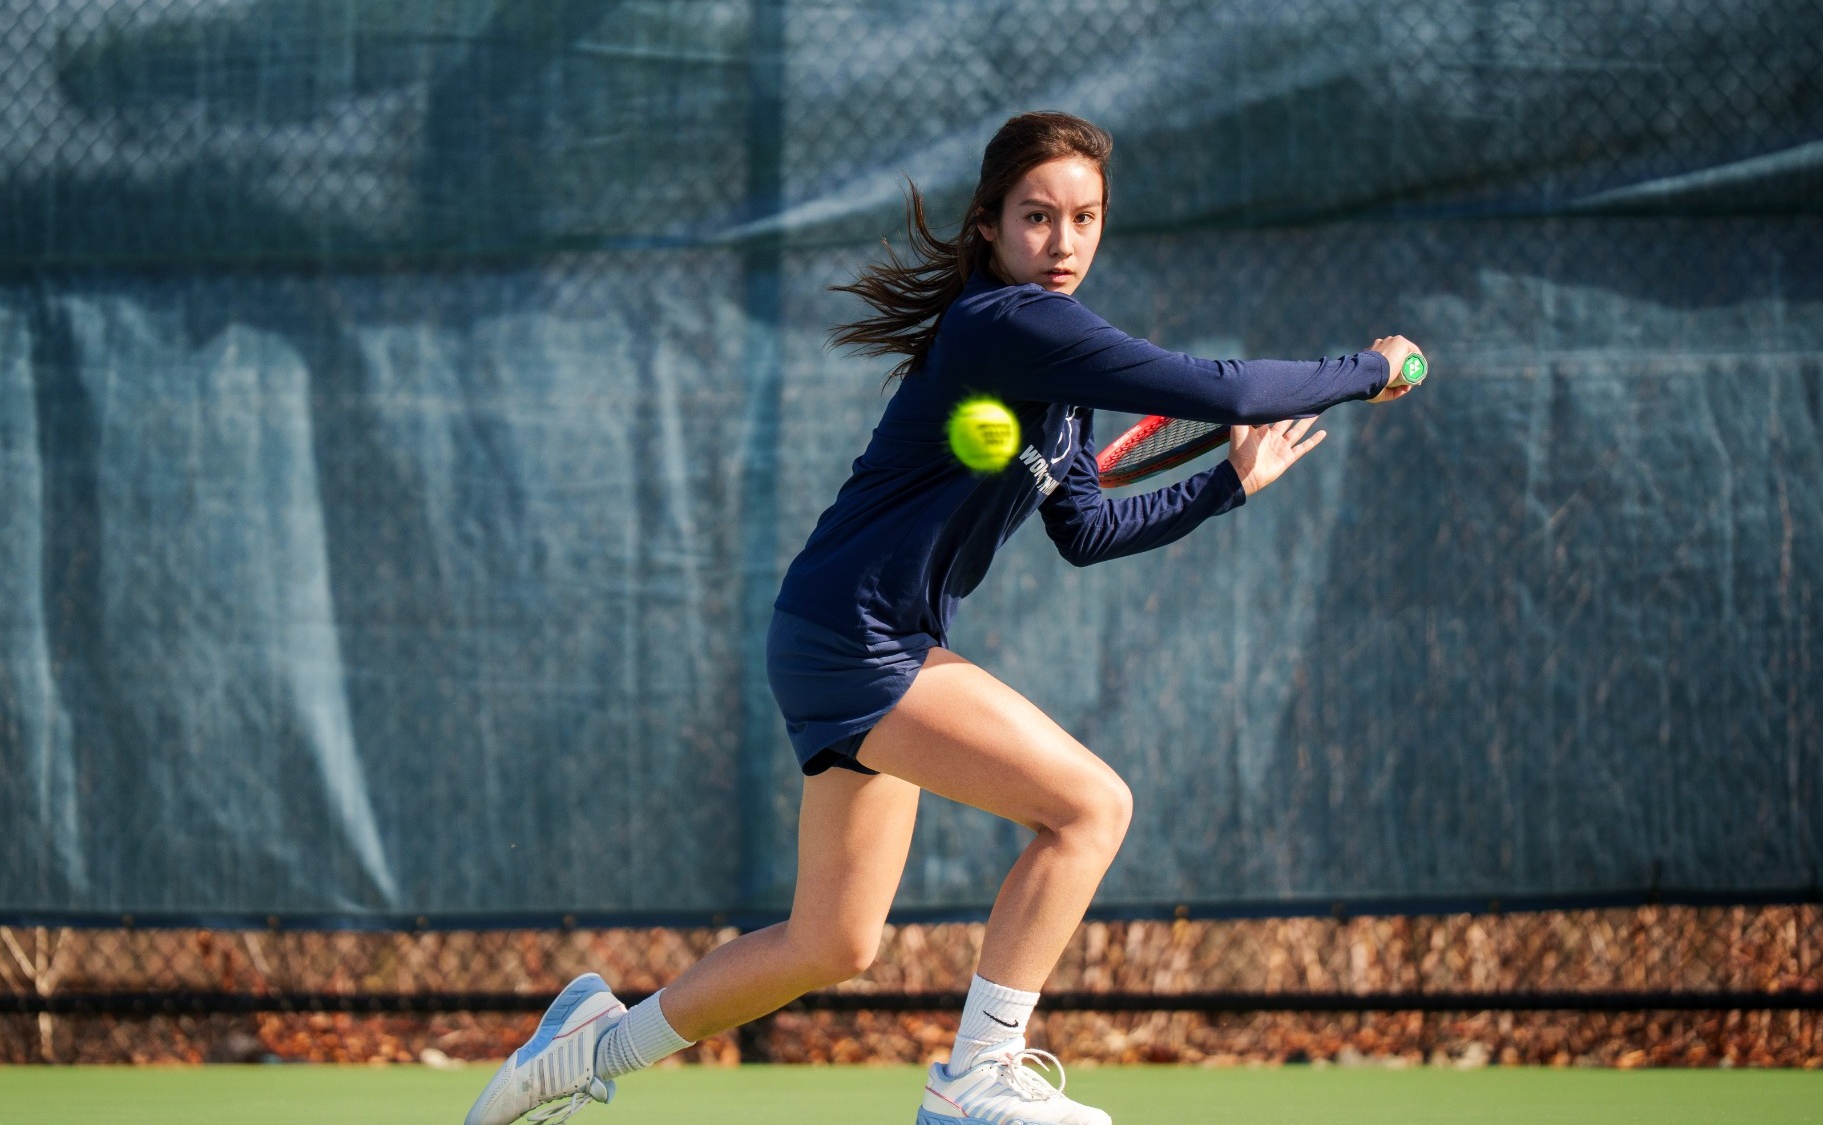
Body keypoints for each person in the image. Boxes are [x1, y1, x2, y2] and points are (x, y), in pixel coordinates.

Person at [465, 110, 1421, 1125]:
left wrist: (1224, 487)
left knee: (829, 943)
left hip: (855, 635)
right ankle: (975, 1078)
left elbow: (1086, 530)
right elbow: (1209, 385)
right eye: (1037, 217)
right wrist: (1372, 369)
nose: (1062, 243)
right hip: (857, 638)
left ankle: (581, 1050)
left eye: (1083, 219)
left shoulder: (1053, 377)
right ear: (989, 225)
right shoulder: (1003, 324)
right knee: (1089, 809)